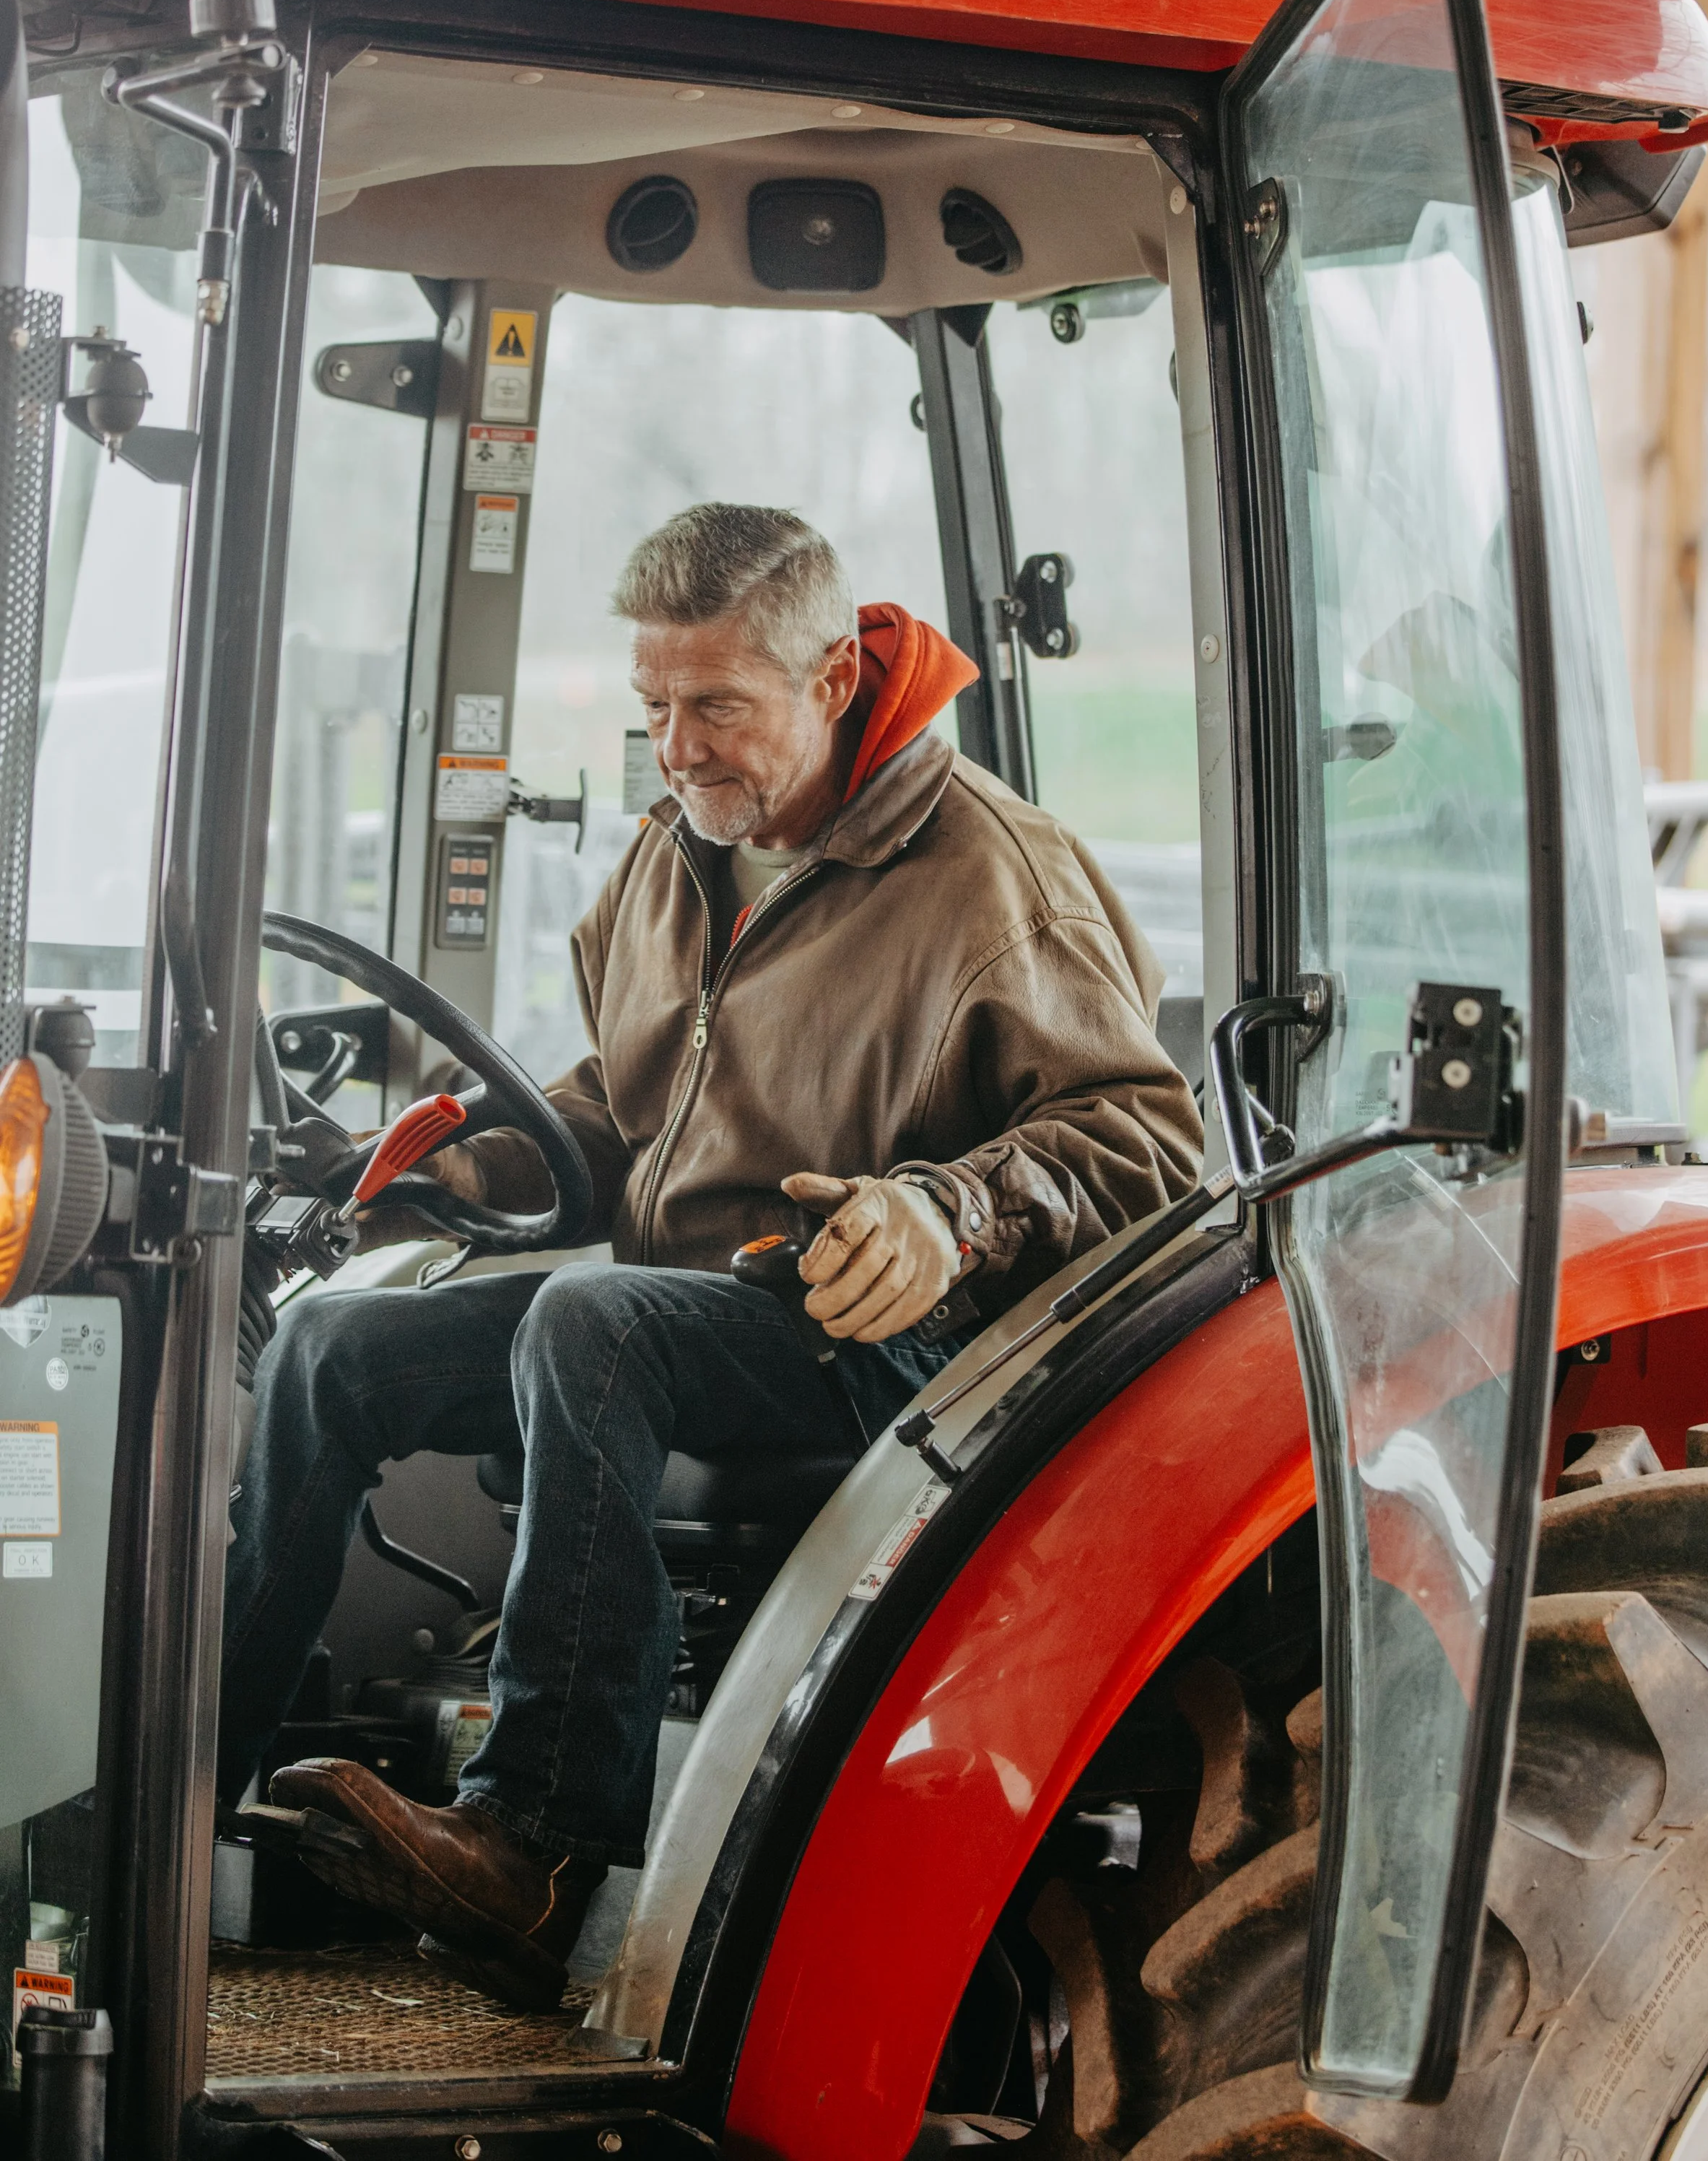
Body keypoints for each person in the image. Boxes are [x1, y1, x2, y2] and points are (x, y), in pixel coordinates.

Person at [227, 503, 1206, 2011]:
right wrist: (427, 1178)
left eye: (716, 710)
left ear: (828, 682)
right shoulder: (677, 858)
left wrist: (942, 1209)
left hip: (883, 1342)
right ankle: (192, 1781)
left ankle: (538, 1843)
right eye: (655, 709)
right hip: (673, 1320)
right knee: (333, 1351)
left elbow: (1146, 1140)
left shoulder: (992, 877)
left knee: (588, 1326)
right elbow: (616, 1114)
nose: (677, 749)